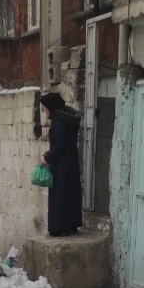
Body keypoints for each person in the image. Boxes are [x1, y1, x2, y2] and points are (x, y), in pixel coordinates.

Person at [39, 92, 82, 237]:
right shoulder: (67, 120)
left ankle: (58, 227)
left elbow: (60, 145)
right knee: (70, 193)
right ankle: (71, 224)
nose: (44, 110)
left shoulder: (58, 122)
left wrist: (47, 158)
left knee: (59, 195)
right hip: (71, 162)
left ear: (50, 107)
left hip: (61, 165)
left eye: (44, 107)